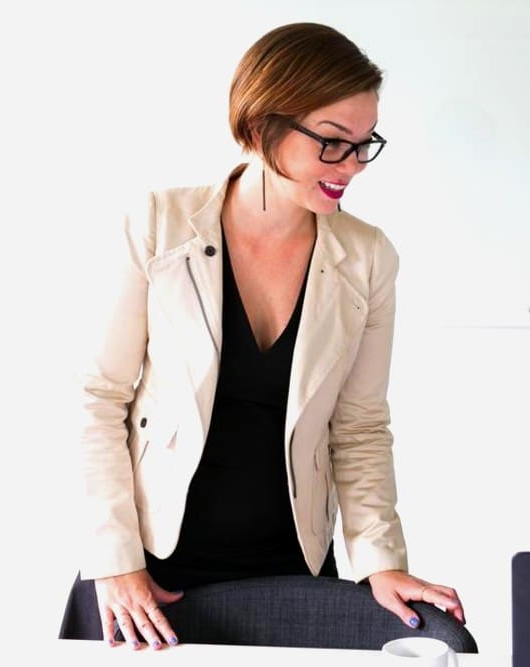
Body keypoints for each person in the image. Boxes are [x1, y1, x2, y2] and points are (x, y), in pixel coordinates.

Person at [63, 22, 464, 649]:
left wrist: (380, 560)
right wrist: (115, 561)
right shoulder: (157, 225)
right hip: (153, 570)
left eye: (365, 144)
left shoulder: (368, 256)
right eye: (332, 143)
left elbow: (358, 425)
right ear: (258, 128)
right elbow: (98, 399)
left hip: (294, 562)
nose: (353, 166)